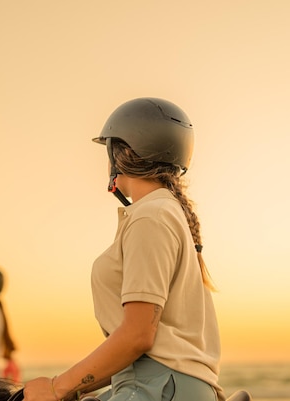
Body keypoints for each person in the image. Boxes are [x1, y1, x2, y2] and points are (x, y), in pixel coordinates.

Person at [24, 98, 225, 401]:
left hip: (158, 388)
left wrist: (56, 386)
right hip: (155, 385)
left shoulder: (151, 216)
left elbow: (138, 335)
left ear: (121, 154)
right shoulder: (161, 212)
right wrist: (73, 388)